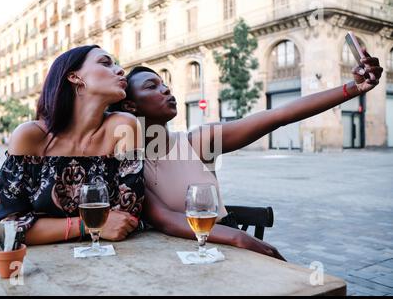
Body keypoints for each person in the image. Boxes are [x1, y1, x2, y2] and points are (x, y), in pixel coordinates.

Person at [109, 50, 383, 261]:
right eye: (151, 86)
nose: (166, 89)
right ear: (130, 106)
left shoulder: (199, 143)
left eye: (164, 83)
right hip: (171, 254)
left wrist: (353, 88)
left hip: (221, 244)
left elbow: (278, 116)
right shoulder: (127, 163)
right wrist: (241, 237)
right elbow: (165, 219)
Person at [0, 45, 144, 245]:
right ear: (74, 77)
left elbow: (125, 219)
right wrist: (86, 225)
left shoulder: (124, 126)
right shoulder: (30, 136)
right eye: (106, 63)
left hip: (112, 262)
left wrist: (48, 227)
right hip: (45, 268)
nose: (120, 69)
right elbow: (5, 228)